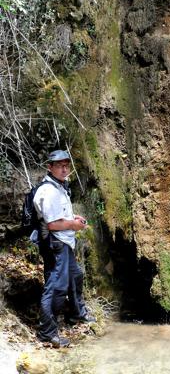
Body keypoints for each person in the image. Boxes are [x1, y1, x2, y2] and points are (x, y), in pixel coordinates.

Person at [33, 149, 94, 348]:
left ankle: (76, 314)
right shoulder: (48, 190)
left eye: (66, 165)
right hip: (55, 243)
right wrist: (73, 225)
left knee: (75, 276)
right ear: (50, 167)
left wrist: (72, 219)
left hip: (65, 241)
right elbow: (51, 224)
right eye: (59, 165)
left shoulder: (59, 186)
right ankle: (47, 332)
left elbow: (60, 216)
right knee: (56, 287)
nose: (64, 169)